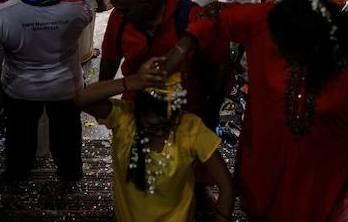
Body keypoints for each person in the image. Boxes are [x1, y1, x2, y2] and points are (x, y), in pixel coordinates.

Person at [159, 0, 348, 222]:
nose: (276, 50)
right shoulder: (270, 21)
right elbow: (214, 14)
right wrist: (182, 47)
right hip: (262, 160)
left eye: (285, 48)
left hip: (318, 180)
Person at [0, 0, 92, 182]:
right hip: (65, 86)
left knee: (20, 135)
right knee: (66, 135)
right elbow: (87, 10)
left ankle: (18, 173)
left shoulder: (3, 15)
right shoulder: (75, 6)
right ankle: (71, 173)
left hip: (20, 88)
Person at [76, 64, 235, 221]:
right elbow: (79, 99)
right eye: (150, 125)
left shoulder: (190, 129)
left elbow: (227, 187)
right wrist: (129, 82)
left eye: (165, 124)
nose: (158, 132)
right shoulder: (124, 118)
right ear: (138, 111)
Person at [100, 0, 228, 128]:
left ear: (146, 5)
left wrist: (211, 112)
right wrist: (102, 97)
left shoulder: (190, 17)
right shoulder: (120, 18)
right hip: (138, 114)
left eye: (125, 10)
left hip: (186, 117)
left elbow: (219, 65)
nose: (119, 14)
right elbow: (109, 60)